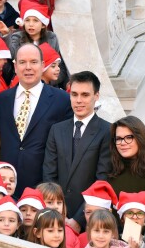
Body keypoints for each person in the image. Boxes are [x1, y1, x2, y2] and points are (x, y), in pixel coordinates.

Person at [0, 43, 72, 198]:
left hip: (42, 189)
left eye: (34, 62)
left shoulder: (62, 100)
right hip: (5, 189)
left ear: (43, 65)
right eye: (22, 62)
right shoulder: (1, 100)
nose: (28, 67)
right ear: (15, 66)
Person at [43, 71, 111, 233]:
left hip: (88, 221)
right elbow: (49, 174)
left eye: (85, 95)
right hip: (55, 218)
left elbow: (102, 180)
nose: (78, 100)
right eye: (74, 94)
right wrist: (56, 211)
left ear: (96, 96)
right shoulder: (57, 130)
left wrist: (78, 220)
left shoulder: (107, 130)